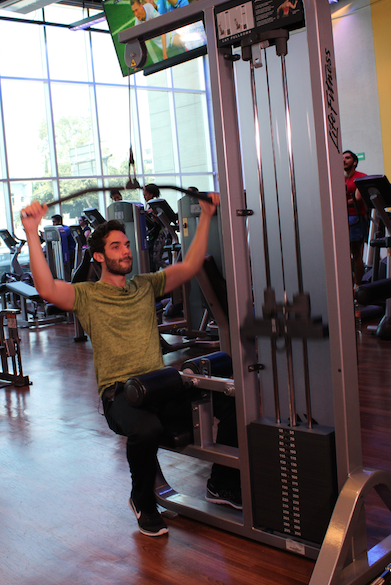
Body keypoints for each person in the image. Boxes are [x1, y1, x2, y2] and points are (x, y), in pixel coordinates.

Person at [21, 192, 240, 537]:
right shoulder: (87, 295)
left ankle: (222, 483)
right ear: (98, 256)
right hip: (121, 394)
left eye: (126, 245)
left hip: (161, 386)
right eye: (116, 247)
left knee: (231, 402)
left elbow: (190, 265)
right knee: (146, 429)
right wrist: (31, 232)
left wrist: (207, 215)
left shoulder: (145, 285)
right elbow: (47, 288)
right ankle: (143, 500)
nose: (125, 251)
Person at [344, 150, 368, 286]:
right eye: (342, 158)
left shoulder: (360, 177)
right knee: (343, 255)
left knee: (356, 253)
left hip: (355, 218)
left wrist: (340, 202)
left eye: (347, 158)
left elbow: (358, 200)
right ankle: (347, 286)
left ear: (355, 161)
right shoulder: (337, 178)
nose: (344, 160)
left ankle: (358, 286)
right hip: (341, 219)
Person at [143, 184, 168, 271]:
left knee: (157, 259)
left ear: (151, 194)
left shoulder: (156, 206)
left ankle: (175, 271)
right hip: (153, 234)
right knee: (152, 259)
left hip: (161, 233)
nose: (144, 197)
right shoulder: (148, 206)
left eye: (145, 194)